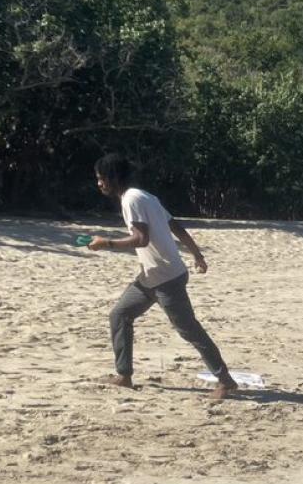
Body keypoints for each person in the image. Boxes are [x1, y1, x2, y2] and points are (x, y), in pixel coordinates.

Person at [86, 153, 238, 400]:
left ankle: (226, 381)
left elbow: (141, 238)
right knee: (119, 315)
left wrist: (107, 243)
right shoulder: (145, 196)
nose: (99, 184)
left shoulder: (131, 200)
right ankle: (124, 375)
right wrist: (197, 255)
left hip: (166, 279)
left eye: (101, 178)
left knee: (189, 330)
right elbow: (175, 225)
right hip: (151, 276)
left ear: (113, 178)